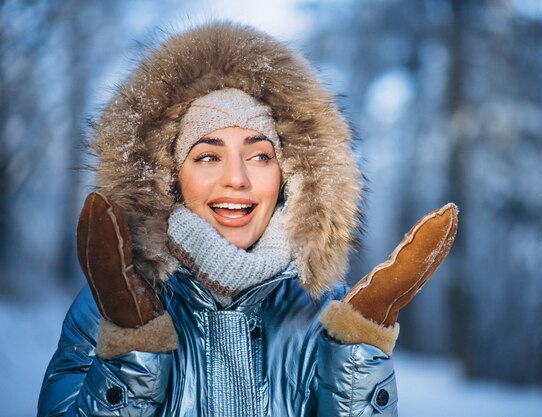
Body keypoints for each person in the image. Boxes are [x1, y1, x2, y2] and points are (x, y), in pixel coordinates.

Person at [37, 21, 458, 417]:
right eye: (207, 156)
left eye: (260, 156)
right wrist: (133, 348)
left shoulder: (330, 316)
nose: (236, 178)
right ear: (169, 179)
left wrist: (354, 358)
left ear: (290, 177)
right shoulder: (108, 306)